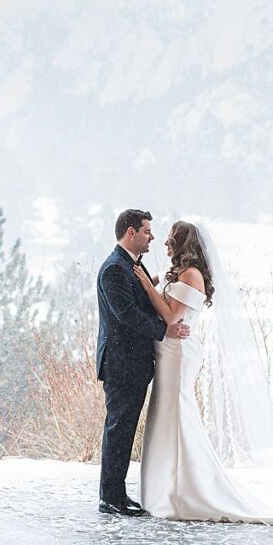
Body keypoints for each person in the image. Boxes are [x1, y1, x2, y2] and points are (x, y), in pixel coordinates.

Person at [132, 220, 273, 524]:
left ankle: (191, 489)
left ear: (183, 244)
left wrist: (146, 285)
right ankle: (166, 488)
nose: (164, 245)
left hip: (178, 355)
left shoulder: (192, 275)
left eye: (169, 241)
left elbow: (169, 315)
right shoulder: (181, 274)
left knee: (179, 415)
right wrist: (153, 286)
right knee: (165, 417)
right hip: (167, 353)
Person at [95, 209, 190, 516]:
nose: (152, 236)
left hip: (134, 364)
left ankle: (117, 494)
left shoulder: (130, 265)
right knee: (118, 429)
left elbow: (140, 299)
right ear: (131, 232)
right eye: (147, 231)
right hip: (122, 364)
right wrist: (166, 329)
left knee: (124, 429)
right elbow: (127, 315)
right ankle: (110, 497)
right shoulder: (114, 269)